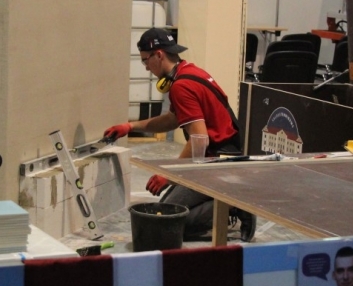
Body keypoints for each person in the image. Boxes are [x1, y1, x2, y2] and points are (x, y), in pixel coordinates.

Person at [103, 28, 256, 241]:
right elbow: (173, 120)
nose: (146, 67)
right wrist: (130, 127)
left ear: (158, 55)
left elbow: (199, 140)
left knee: (166, 221)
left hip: (216, 164)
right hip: (223, 157)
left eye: (145, 60)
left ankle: (234, 205)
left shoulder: (181, 86)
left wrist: (169, 175)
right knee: (166, 210)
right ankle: (226, 199)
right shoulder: (190, 72)